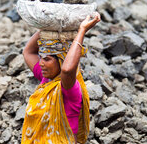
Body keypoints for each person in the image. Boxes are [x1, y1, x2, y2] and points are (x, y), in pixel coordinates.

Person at [22, 13, 100, 143]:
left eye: (47, 59)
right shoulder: (46, 80)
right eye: (41, 57)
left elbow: (68, 69)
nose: (41, 63)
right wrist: (47, 28)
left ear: (61, 61)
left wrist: (81, 31)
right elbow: (28, 52)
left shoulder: (70, 88)